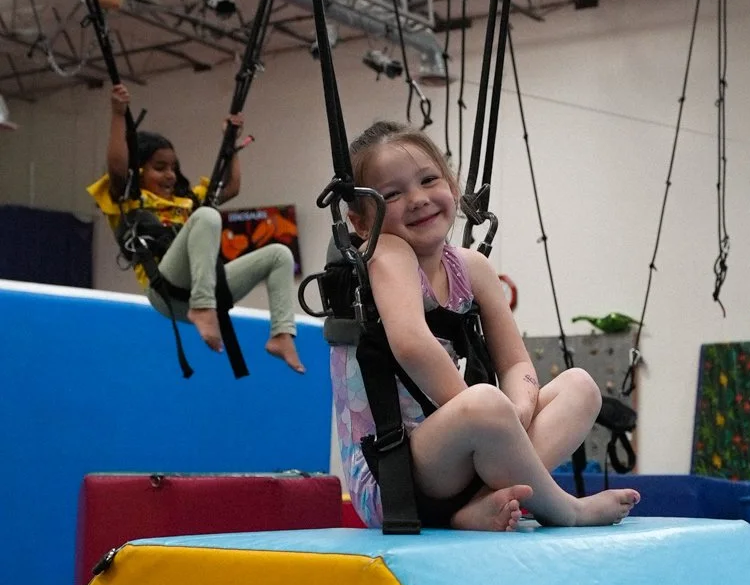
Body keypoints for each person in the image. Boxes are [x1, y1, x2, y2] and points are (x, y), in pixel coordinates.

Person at [335, 120, 640, 531]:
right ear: (361, 224)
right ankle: (565, 509)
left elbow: (516, 364)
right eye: (392, 194)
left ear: (454, 186)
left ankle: (477, 506)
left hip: (463, 458)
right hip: (395, 475)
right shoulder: (386, 253)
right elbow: (410, 343)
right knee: (485, 404)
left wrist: (517, 410)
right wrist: (485, 413)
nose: (418, 199)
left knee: (580, 388)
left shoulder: (472, 267)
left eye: (429, 180)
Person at [89, 83, 304, 371]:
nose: (169, 175)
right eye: (159, 167)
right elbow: (117, 168)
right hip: (167, 291)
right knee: (207, 216)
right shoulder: (130, 200)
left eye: (173, 168)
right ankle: (202, 308)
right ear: (138, 171)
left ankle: (281, 335)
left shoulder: (187, 200)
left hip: (208, 291)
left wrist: (231, 143)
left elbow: (231, 187)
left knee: (279, 253)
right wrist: (118, 113)